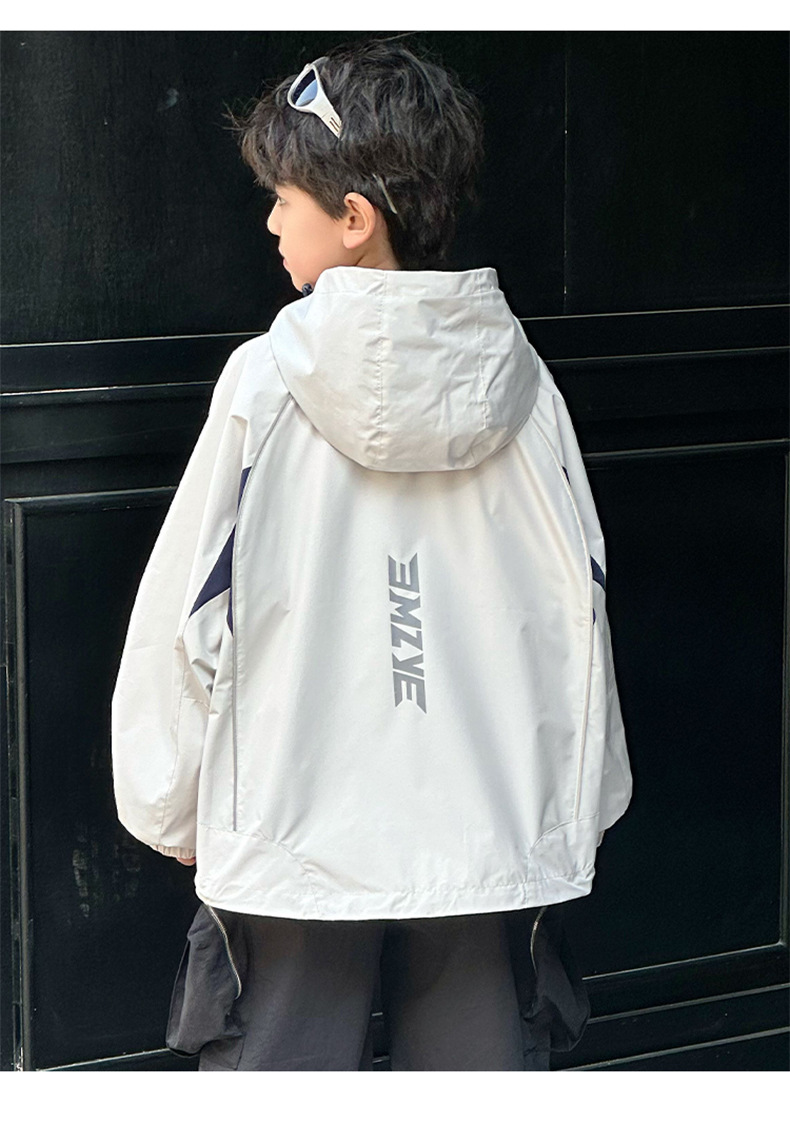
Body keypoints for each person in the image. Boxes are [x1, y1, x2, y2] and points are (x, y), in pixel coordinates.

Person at [111, 37, 632, 1071]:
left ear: (354, 219)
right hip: (487, 820)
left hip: (294, 818)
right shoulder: (524, 383)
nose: (270, 222)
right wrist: (585, 798)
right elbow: (579, 603)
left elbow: (189, 609)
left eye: (283, 200)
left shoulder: (265, 382)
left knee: (283, 1066)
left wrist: (168, 798)